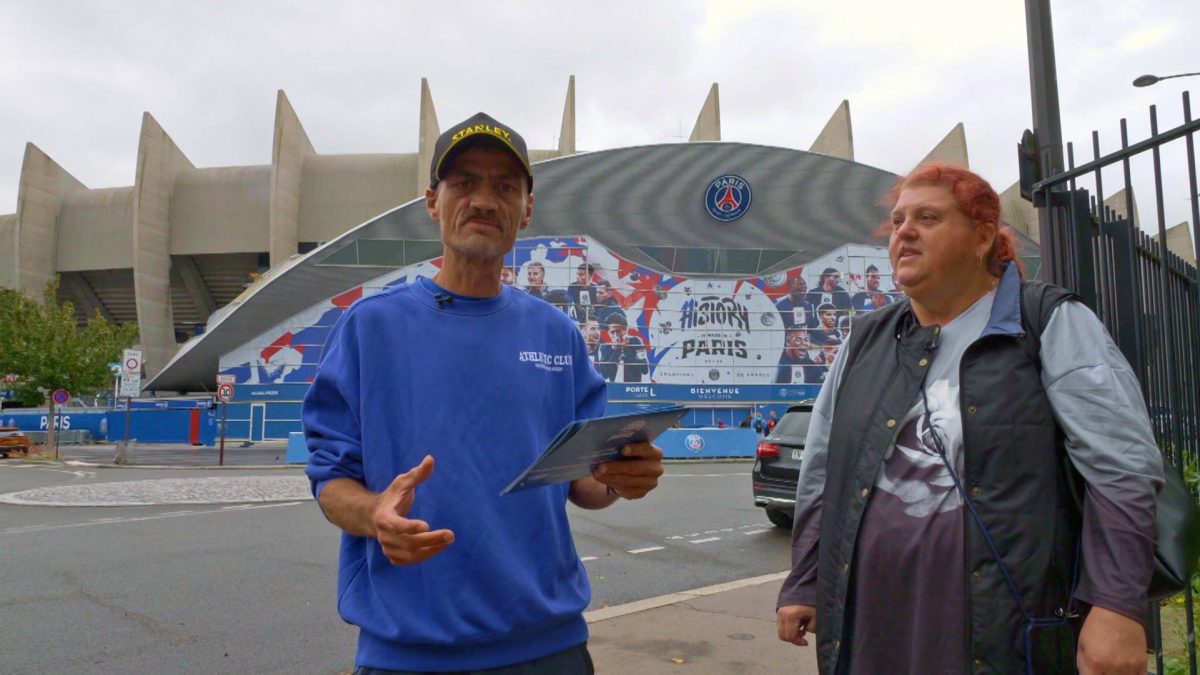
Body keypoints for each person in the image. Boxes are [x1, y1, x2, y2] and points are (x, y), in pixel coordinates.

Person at [304, 112, 666, 675]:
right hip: (408, 655)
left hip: (550, 649)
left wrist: (621, 479)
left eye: (505, 186)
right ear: (433, 201)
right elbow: (330, 481)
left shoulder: (557, 335)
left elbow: (584, 483)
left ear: (526, 209)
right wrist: (376, 512)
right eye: (463, 183)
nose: (483, 200)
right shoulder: (370, 328)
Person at [776, 163, 1164, 674]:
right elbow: (823, 470)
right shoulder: (865, 340)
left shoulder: (1046, 322)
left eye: (928, 217)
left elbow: (1122, 467)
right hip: (870, 626)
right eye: (897, 221)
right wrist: (805, 578)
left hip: (1000, 631)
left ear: (982, 237)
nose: (904, 232)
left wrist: (1116, 605)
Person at [595, 312, 648, 383]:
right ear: (608, 332)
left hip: (632, 389)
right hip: (615, 389)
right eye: (612, 332)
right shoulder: (604, 347)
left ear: (625, 330)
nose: (615, 335)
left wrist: (626, 348)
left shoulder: (636, 341)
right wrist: (617, 349)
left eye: (618, 331)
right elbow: (604, 374)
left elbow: (644, 369)